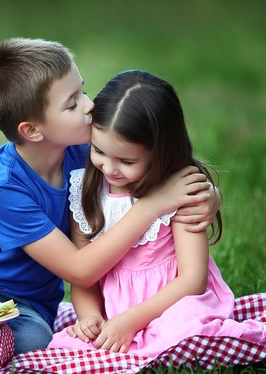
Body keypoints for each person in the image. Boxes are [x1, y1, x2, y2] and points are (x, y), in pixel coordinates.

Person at [0, 39, 220, 355]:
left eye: (82, 91)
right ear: (32, 131)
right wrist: (154, 206)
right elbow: (80, 270)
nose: (89, 105)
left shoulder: (90, 155)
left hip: (24, 305)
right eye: (72, 103)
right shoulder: (1, 188)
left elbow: (155, 165)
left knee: (34, 341)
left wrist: (208, 195)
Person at [48, 70, 265, 355]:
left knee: (186, 330)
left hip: (173, 306)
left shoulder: (179, 191)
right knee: (68, 346)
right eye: (99, 151)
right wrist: (91, 318)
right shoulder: (85, 189)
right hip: (114, 317)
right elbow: (84, 278)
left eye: (126, 160)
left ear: (160, 151)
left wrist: (130, 321)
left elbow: (193, 280)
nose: (110, 169)